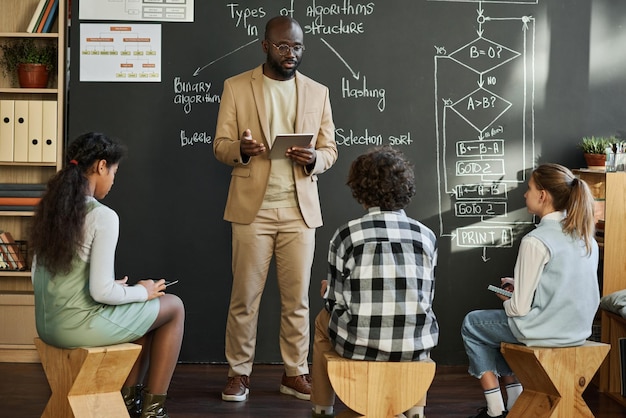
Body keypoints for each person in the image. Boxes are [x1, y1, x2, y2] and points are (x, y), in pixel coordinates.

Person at [213, 15, 337, 402]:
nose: (291, 53)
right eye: (283, 46)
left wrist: (314, 158)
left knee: (297, 300)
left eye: (297, 47)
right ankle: (238, 374)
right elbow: (220, 144)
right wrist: (242, 151)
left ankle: (295, 372)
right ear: (265, 46)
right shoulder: (236, 87)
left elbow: (331, 150)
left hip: (299, 211)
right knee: (244, 298)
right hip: (253, 210)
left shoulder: (318, 91)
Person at [30, 132, 185, 418]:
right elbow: (101, 292)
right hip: (75, 328)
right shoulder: (102, 215)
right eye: (114, 171)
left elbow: (38, 276)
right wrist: (144, 291)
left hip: (46, 325)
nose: (113, 180)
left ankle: (127, 403)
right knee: (174, 306)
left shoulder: (52, 209)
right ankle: (152, 411)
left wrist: (124, 292)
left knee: (137, 309)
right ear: (101, 166)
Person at [461, 163, 600, 418]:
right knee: (499, 331)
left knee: (473, 324)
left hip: (544, 332)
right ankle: (514, 402)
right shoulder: (586, 237)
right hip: (578, 332)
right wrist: (523, 288)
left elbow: (519, 308)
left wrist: (507, 297)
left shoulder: (536, 240)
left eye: (529, 188)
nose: (525, 194)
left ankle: (495, 410)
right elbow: (565, 290)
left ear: (543, 195)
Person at [310, 146, 439, 418]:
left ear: (360, 189)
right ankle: (415, 410)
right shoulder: (426, 236)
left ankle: (322, 407)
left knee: (322, 322)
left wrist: (329, 291)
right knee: (416, 322)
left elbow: (336, 300)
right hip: (414, 347)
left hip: (358, 345)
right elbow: (425, 297)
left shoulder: (347, 235)